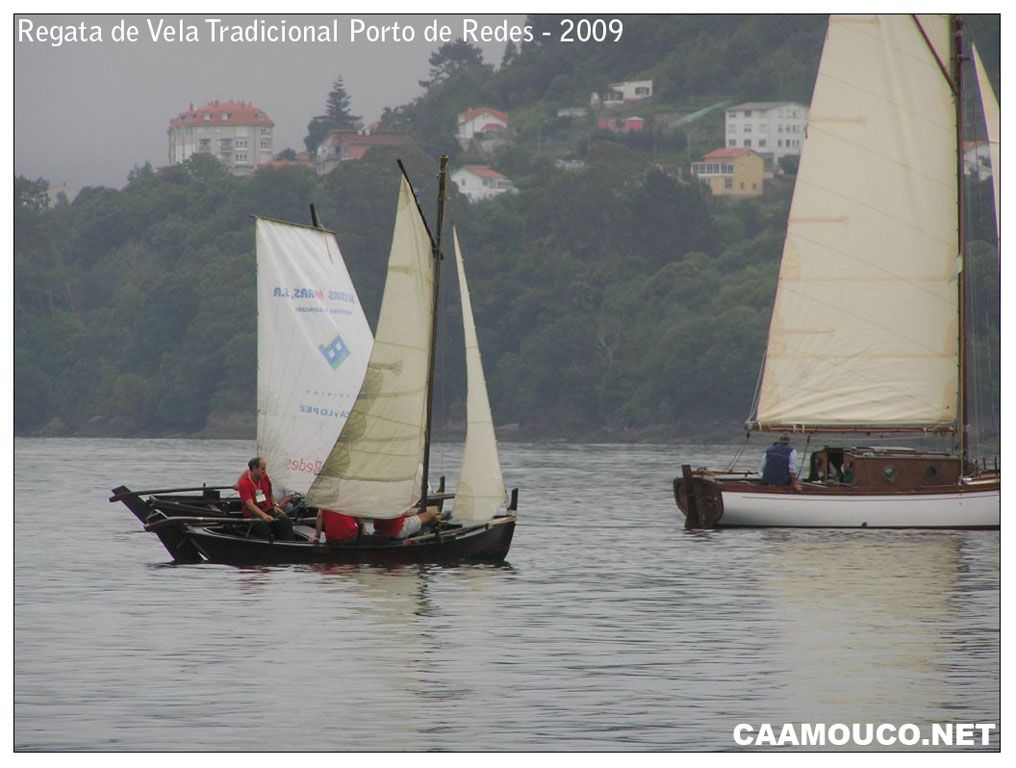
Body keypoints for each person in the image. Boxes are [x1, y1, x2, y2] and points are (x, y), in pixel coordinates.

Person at [237, 457, 294, 540]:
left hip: (268, 509)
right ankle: (267, 544)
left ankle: (288, 543)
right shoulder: (244, 484)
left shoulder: (265, 477)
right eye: (262, 469)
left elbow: (270, 493)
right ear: (254, 469)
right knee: (263, 525)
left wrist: (275, 505)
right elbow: (250, 505)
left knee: (285, 520)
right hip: (253, 514)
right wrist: (264, 516)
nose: (265, 471)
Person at [373, 505, 442, 539]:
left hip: (381, 529)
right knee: (430, 514)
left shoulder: (380, 502)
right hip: (399, 529)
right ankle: (441, 518)